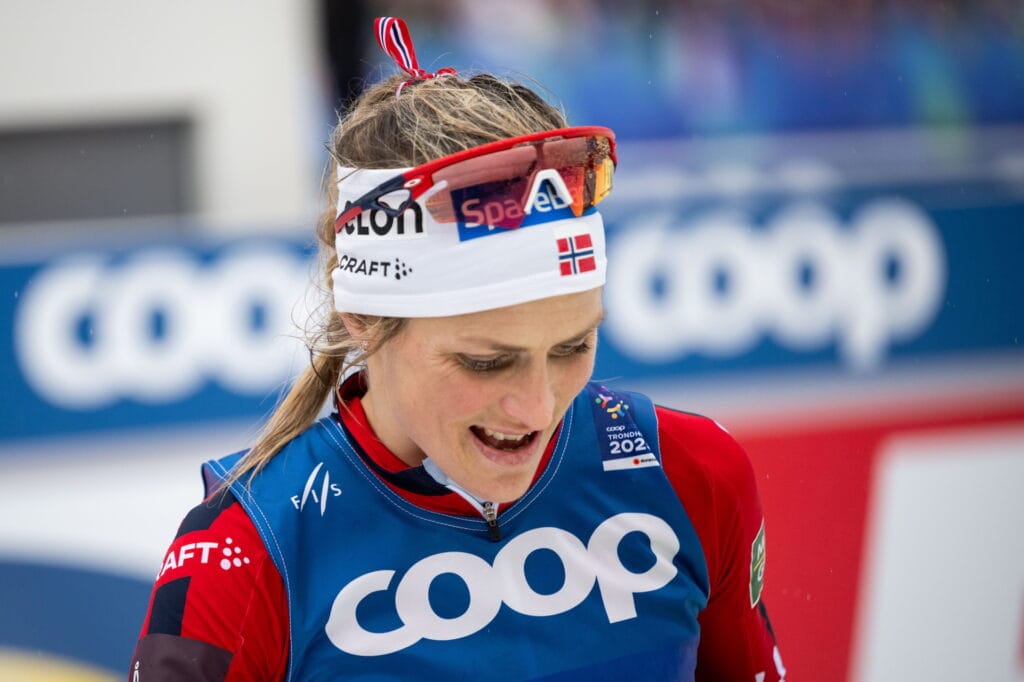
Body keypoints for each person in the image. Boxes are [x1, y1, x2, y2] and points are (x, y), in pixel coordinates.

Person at [129, 16, 784, 682]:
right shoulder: (249, 551)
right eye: (485, 360)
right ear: (361, 314)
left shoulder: (690, 474)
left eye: (572, 346)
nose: (535, 405)